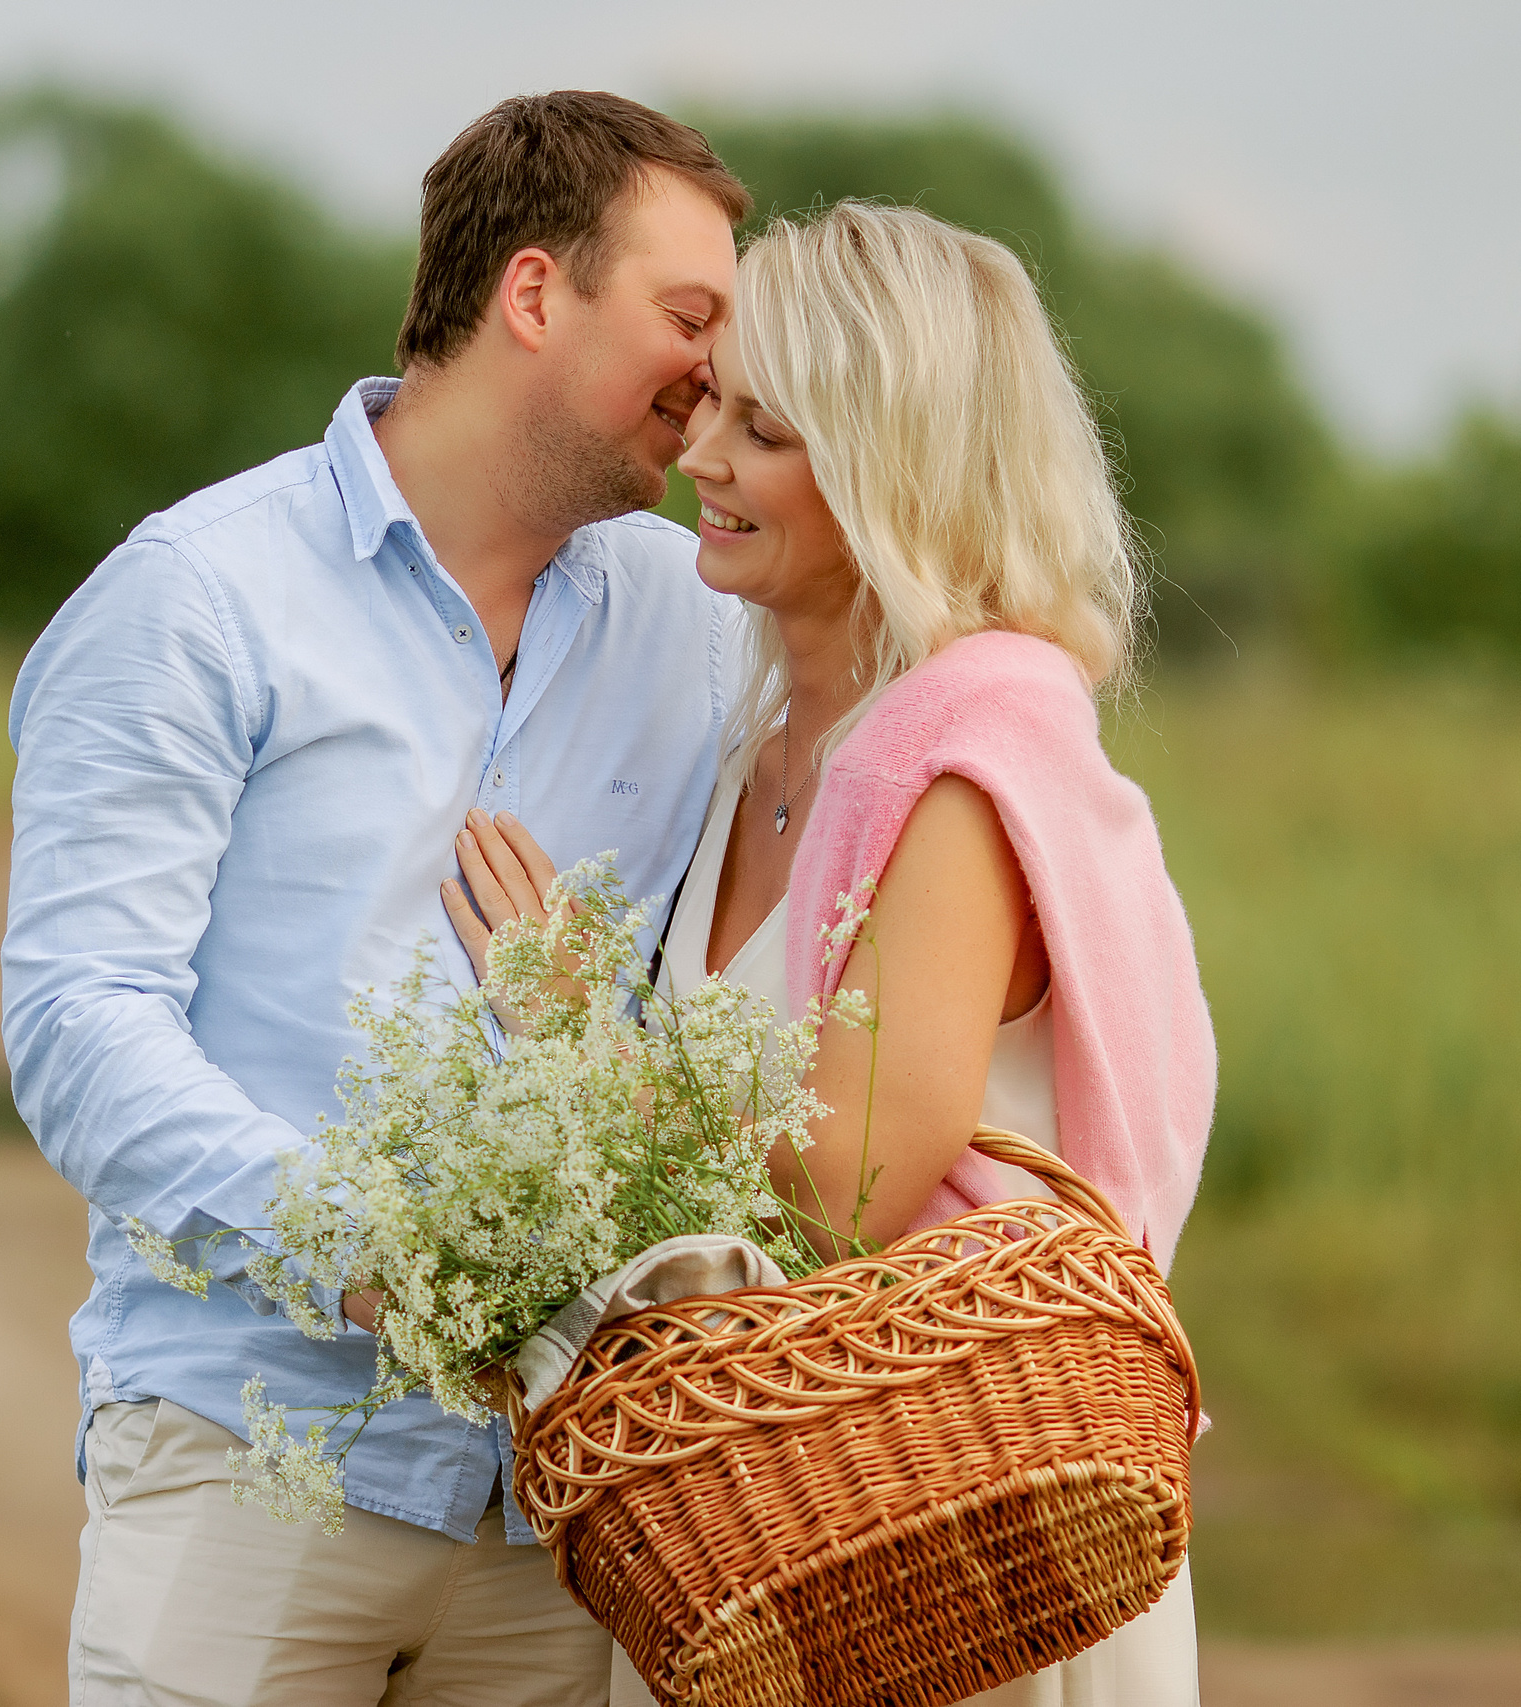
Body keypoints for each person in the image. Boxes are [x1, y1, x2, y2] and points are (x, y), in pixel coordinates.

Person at [4, 92, 753, 1705]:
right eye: (691, 316)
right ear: (536, 292)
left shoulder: (699, 622)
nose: (720, 371)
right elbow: (78, 1023)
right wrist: (368, 1251)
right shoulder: (199, 597)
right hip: (249, 1465)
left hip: (568, 1510)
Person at [446, 202, 1217, 1706]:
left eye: (767, 431)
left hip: (957, 1548)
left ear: (894, 466)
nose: (702, 458)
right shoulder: (759, 755)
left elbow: (843, 1183)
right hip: (783, 1537)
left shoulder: (959, 763)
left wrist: (576, 1036)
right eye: (711, 406)